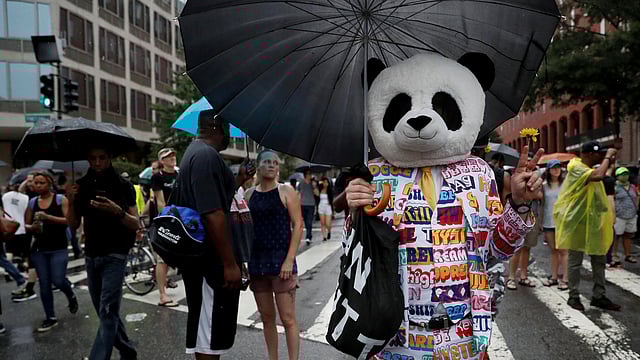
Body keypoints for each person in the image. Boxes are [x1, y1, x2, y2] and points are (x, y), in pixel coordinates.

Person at [175, 110, 253, 359]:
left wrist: (240, 178)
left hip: (205, 258)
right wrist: (230, 264)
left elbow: (217, 198)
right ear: (217, 128)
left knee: (213, 331)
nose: (229, 134)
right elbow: (213, 213)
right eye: (228, 128)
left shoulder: (197, 154)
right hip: (209, 262)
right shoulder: (206, 157)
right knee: (208, 335)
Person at [66, 146, 139, 360]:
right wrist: (70, 201)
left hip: (116, 254)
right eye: (92, 158)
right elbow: (72, 225)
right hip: (91, 254)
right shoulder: (81, 186)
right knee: (105, 311)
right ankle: (127, 350)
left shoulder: (123, 185)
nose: (97, 163)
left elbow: (135, 224)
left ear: (109, 157)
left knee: (107, 309)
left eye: (101, 158)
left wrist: (118, 211)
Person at [245, 150, 303, 360]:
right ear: (258, 166)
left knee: (288, 319)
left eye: (275, 163)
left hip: (281, 263)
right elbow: (244, 230)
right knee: (267, 317)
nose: (271, 165)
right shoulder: (249, 194)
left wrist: (289, 260)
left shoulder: (286, 191)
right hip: (257, 263)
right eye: (267, 162)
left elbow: (298, 226)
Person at [554, 141, 621, 312]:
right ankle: (573, 296)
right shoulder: (576, 167)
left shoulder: (588, 169)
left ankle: (599, 296)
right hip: (577, 222)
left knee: (599, 258)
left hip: (593, 221)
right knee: (575, 261)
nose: (601, 157)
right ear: (590, 154)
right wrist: (607, 157)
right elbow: (598, 175)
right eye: (599, 154)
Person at [24, 171, 78, 332]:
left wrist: (48, 217)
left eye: (42, 182)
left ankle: (70, 294)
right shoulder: (32, 203)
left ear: (50, 183)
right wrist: (31, 227)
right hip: (39, 249)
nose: (38, 185)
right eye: (36, 183)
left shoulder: (60, 199)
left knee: (58, 280)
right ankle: (50, 317)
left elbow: (69, 221)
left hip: (58, 247)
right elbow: (25, 224)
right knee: (44, 284)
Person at [152, 148, 180, 307]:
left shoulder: (180, 175)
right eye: (168, 157)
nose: (172, 158)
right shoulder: (157, 177)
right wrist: (169, 218)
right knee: (162, 259)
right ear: (162, 161)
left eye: (173, 155)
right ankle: (162, 294)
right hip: (167, 220)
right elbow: (160, 201)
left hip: (183, 218)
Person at [540, 160, 568, 290]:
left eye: (558, 168)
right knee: (553, 250)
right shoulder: (544, 186)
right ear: (549, 170)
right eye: (553, 168)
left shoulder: (566, 185)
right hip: (548, 221)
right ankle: (554, 277)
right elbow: (542, 204)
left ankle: (565, 279)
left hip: (563, 221)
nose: (556, 170)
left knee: (563, 250)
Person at [1, 184, 28, 290]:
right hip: (20, 227)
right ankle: (23, 273)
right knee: (24, 253)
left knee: (9, 252)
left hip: (8, 228)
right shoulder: (25, 198)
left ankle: (11, 273)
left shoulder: (6, 196)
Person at [613, 167, 638, 263]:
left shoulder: (632, 186)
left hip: (631, 214)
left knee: (628, 235)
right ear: (617, 176)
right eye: (622, 174)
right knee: (616, 236)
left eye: (626, 174)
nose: (625, 176)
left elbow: (636, 196)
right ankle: (613, 254)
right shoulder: (615, 187)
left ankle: (628, 255)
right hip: (619, 215)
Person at [298, 169, 316, 245]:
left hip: (311, 204)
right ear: (305, 174)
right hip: (302, 204)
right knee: (305, 222)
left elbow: (317, 194)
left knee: (309, 221)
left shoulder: (313, 183)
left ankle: (308, 237)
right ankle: (309, 235)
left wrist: (314, 187)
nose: (310, 175)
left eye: (310, 174)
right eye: (309, 174)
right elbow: (298, 193)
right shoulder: (301, 183)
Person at [317, 176, 334, 241]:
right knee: (322, 223)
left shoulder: (330, 191)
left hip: (328, 207)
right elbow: (316, 191)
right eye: (324, 182)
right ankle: (324, 236)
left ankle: (329, 231)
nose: (325, 183)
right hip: (321, 206)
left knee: (328, 224)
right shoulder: (320, 189)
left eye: (326, 182)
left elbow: (332, 201)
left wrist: (333, 210)